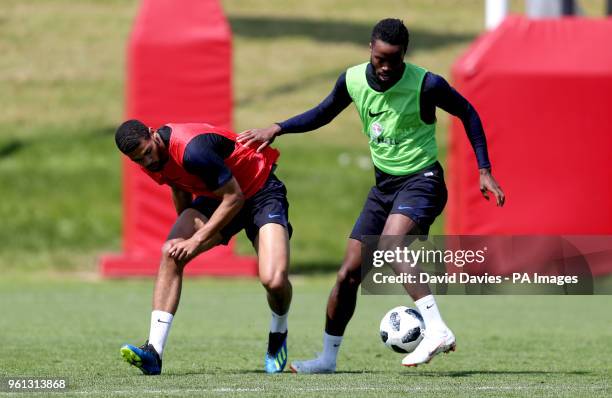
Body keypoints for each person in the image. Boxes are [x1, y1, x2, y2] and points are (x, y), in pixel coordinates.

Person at [238, 18, 505, 372]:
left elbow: (467, 112)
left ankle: (437, 329)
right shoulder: (351, 80)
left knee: (390, 245)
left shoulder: (426, 84)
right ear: (370, 50)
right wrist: (278, 127)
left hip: (422, 182)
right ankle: (327, 359)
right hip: (384, 189)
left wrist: (484, 170)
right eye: (380, 58)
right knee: (348, 272)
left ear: (404, 55)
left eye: (394, 60)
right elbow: (322, 113)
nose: (386, 67)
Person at [115, 120, 293, 374]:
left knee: (274, 280)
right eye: (138, 160)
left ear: (153, 135)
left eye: (147, 153)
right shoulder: (149, 158)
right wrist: (186, 226)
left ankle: (278, 331)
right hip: (217, 199)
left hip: (260, 193)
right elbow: (177, 184)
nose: (147, 162)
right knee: (171, 252)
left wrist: (197, 240)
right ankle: (154, 352)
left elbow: (236, 197)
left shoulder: (192, 149)